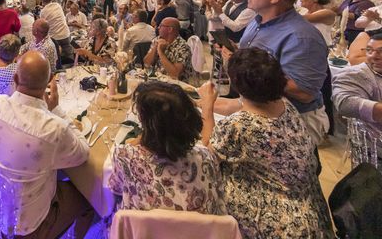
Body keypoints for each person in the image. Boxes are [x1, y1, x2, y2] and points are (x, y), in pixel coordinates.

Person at [200, 48, 333, 239]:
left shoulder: (239, 126)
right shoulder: (285, 105)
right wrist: (202, 101)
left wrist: (206, 107)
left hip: (276, 224)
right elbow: (236, 105)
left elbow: (207, 154)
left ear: (237, 84)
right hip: (313, 214)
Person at [0, 51, 93, 237]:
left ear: (15, 78)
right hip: (27, 228)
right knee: (90, 197)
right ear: (49, 79)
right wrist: (56, 109)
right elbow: (83, 153)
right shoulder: (53, 128)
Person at [216, 0, 330, 148]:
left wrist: (243, 66)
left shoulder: (302, 37)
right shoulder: (257, 22)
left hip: (291, 121)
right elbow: (254, 58)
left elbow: (304, 92)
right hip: (256, 109)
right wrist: (235, 52)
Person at [109, 81, 225, 214]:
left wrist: (144, 136)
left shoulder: (125, 156)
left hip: (144, 232)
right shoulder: (205, 157)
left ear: (142, 119)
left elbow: (115, 190)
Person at [299, 0, 337, 135]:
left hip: (317, 60)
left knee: (321, 93)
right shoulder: (302, 12)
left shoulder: (327, 13)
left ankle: (324, 132)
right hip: (303, 56)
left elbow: (304, 19)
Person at [333, 33, 382, 132]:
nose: (373, 56)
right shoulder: (354, 74)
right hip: (372, 144)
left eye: (381, 51)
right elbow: (346, 103)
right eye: (369, 50)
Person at [143, 17, 193, 83]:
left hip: (175, 86)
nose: (158, 28)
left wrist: (160, 52)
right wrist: (155, 47)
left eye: (161, 26)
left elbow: (175, 74)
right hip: (156, 81)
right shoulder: (157, 40)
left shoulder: (182, 47)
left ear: (170, 29)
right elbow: (146, 64)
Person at [39, 0, 74, 64]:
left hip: (54, 36)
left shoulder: (43, 11)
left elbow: (43, 25)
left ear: (42, 1)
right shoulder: (58, 5)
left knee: (56, 57)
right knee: (69, 55)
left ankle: (58, 70)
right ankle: (72, 67)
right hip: (65, 33)